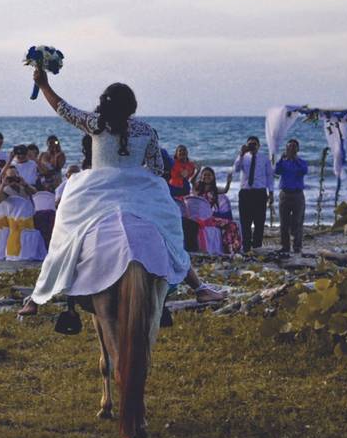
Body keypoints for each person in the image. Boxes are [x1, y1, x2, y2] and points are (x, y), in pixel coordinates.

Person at [17, 69, 224, 317]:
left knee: (65, 232)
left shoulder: (94, 123)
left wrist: (43, 85)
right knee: (168, 229)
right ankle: (199, 287)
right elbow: (158, 168)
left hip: (96, 191)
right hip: (137, 190)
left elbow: (62, 108)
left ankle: (36, 299)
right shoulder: (147, 130)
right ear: (132, 107)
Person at [233, 135, 274, 253]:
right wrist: (240, 154)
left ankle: (257, 247)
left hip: (260, 193)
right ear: (246, 145)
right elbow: (235, 169)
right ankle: (246, 248)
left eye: (254, 144)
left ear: (259, 146)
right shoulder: (243, 157)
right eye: (250, 144)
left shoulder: (265, 159)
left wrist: (270, 193)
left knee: (259, 222)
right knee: (245, 222)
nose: (252, 146)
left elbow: (269, 176)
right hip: (245, 193)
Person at [193, 166, 242, 254]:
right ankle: (230, 248)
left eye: (209, 175)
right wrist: (197, 171)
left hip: (210, 218)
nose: (207, 177)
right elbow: (192, 181)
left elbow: (225, 190)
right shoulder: (197, 189)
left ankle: (231, 247)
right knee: (231, 225)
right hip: (202, 219)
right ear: (201, 177)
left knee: (232, 225)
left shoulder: (214, 190)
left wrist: (228, 182)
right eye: (205, 175)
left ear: (213, 177)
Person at [274, 138, 308, 254]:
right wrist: (282, 158)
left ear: (297, 149)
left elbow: (304, 171)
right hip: (285, 194)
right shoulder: (283, 162)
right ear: (286, 148)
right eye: (289, 146)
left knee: (298, 222)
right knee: (284, 223)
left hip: (298, 195)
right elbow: (276, 171)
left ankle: (297, 246)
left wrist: (295, 159)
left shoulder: (301, 162)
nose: (291, 149)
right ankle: (285, 246)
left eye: (294, 147)